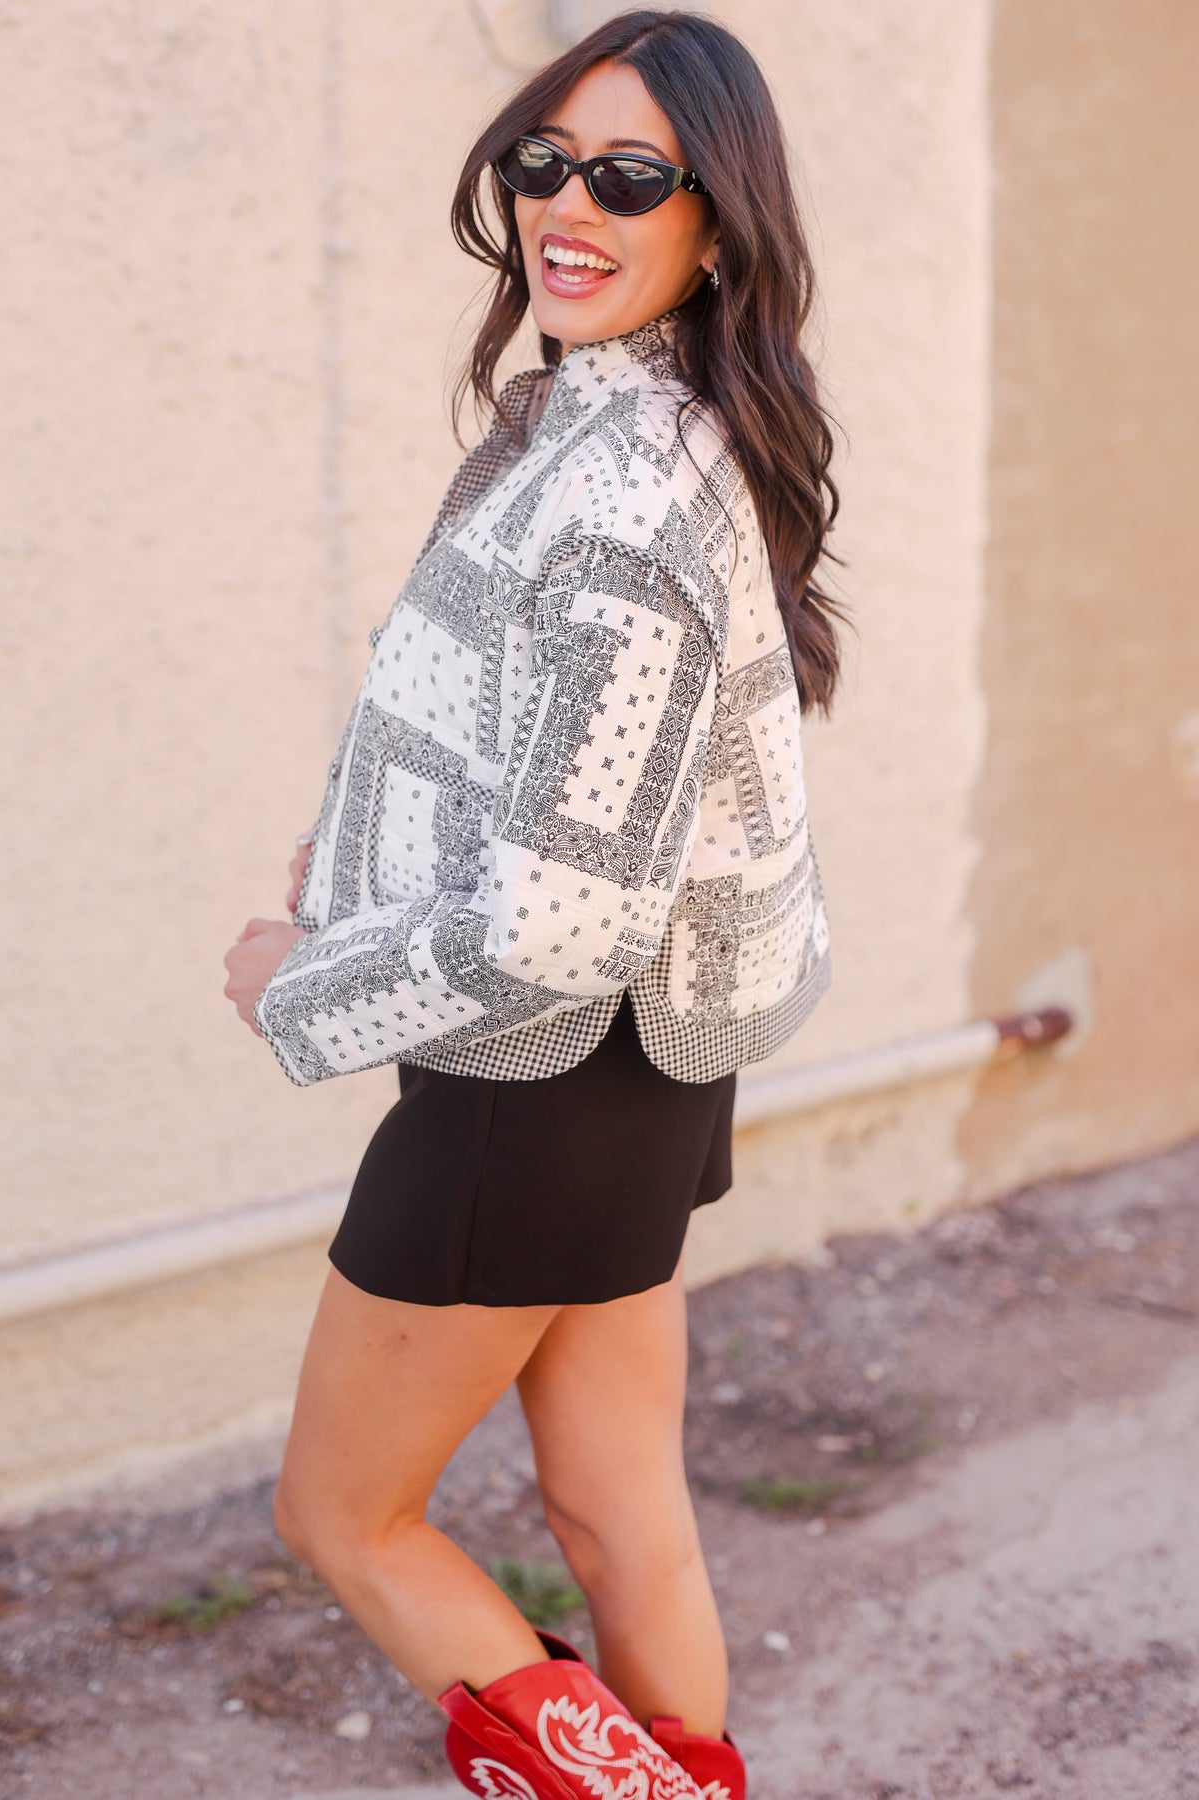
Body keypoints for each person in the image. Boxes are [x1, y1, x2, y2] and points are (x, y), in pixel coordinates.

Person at [222, 10, 846, 1797]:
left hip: (535, 1073)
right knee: (617, 1510)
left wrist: (306, 976)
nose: (569, 205)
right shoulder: (643, 427)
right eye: (543, 161)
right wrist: (363, 855)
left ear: (715, 224)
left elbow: (560, 921)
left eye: (631, 176)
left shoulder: (624, 492)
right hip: (643, 1077)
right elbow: (564, 770)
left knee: (345, 1515)